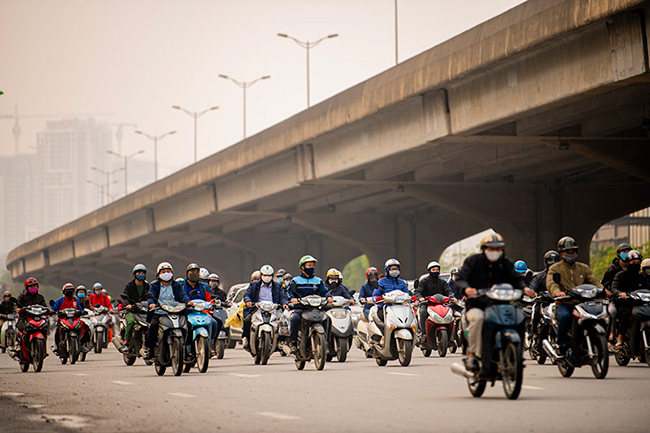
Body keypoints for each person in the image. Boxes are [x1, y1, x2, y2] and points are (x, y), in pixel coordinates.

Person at [454, 233, 530, 374]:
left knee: (519, 317)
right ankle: (474, 355)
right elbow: (460, 279)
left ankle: (518, 354)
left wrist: (524, 288)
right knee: (479, 319)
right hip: (478, 305)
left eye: (498, 249)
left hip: (502, 305)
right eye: (491, 248)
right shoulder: (473, 262)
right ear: (484, 248)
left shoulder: (505, 263)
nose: (494, 252)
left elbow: (516, 278)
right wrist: (467, 289)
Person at [546, 236, 603, 357]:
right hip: (564, 303)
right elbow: (551, 284)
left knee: (599, 315)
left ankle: (598, 342)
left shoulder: (583, 268)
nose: (570, 254)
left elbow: (594, 281)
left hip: (581, 303)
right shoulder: (555, 268)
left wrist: (603, 291)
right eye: (567, 252)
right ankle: (562, 345)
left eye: (572, 251)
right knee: (565, 317)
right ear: (561, 253)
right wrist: (557, 293)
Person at [144, 262, 193, 359]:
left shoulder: (176, 285)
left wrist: (188, 302)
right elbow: (151, 296)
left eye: (168, 271)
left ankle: (186, 350)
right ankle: (150, 349)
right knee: (153, 326)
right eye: (163, 272)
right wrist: (152, 304)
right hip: (160, 312)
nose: (166, 273)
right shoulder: (155, 286)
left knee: (189, 325)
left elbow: (182, 296)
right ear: (158, 274)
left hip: (176, 311)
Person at [287, 255, 332, 353]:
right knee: (295, 318)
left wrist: (329, 297)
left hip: (315, 308)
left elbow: (325, 292)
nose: (311, 268)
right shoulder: (295, 280)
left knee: (328, 319)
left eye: (313, 266)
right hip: (301, 308)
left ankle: (326, 343)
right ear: (302, 267)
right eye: (309, 265)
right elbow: (289, 292)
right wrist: (293, 298)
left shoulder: (318, 280)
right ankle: (293, 342)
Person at [242, 264, 288, 351]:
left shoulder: (277, 286)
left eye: (269, 275)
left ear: (272, 276)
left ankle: (280, 342)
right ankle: (247, 340)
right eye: (265, 275)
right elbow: (247, 294)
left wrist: (284, 304)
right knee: (247, 320)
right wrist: (248, 301)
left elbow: (282, 297)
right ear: (261, 275)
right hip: (257, 309)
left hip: (273, 309)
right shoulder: (254, 285)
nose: (267, 277)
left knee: (283, 322)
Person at [611, 250, 649, 350]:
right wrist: (620, 293)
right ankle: (620, 339)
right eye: (633, 262)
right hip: (626, 302)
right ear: (627, 263)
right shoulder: (620, 275)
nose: (635, 265)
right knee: (626, 314)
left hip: (641, 303)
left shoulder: (643, 277)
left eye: (637, 262)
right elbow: (614, 288)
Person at [184, 263, 219, 357]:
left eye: (196, 272)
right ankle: (185, 347)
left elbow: (210, 299)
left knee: (215, 323)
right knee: (185, 326)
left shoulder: (204, 286)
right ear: (187, 273)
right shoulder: (181, 286)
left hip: (202, 312)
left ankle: (210, 345)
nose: (194, 273)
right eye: (192, 271)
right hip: (187, 313)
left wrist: (212, 305)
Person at [414, 261, 456, 338]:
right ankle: (424, 334)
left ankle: (452, 336)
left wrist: (452, 296)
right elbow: (418, 291)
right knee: (423, 312)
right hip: (427, 304)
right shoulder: (424, 282)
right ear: (429, 271)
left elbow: (448, 290)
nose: (435, 271)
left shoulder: (442, 282)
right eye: (433, 270)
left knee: (451, 312)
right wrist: (420, 298)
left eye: (437, 270)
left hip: (441, 304)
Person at [13, 278, 48, 357]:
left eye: (35, 286)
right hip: (25, 318)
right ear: (26, 288)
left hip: (38, 318)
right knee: (20, 328)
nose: (33, 288)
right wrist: (18, 309)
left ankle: (43, 348)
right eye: (31, 286)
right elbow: (17, 305)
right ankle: (19, 345)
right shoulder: (22, 297)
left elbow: (45, 306)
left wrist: (49, 310)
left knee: (45, 328)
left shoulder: (40, 297)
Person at [51, 283, 90, 352]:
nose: (69, 292)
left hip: (75, 319)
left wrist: (83, 312)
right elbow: (54, 308)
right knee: (57, 330)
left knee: (85, 327)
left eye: (71, 290)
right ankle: (56, 345)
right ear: (64, 292)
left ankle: (82, 344)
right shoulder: (60, 300)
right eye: (67, 290)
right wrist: (51, 311)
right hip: (63, 320)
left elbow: (81, 308)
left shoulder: (76, 300)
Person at [120, 264, 150, 353]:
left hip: (143, 311)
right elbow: (125, 297)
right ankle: (126, 343)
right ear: (134, 274)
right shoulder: (129, 286)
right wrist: (127, 305)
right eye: (139, 273)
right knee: (131, 322)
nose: (141, 275)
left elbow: (151, 297)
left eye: (142, 273)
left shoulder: (147, 286)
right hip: (132, 311)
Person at [372, 259, 409, 323]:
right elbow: (376, 294)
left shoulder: (402, 282)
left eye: (396, 269)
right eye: (392, 269)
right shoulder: (381, 281)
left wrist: (411, 298)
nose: (395, 270)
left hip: (401, 308)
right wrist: (377, 299)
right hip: (385, 308)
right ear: (387, 270)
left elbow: (407, 293)